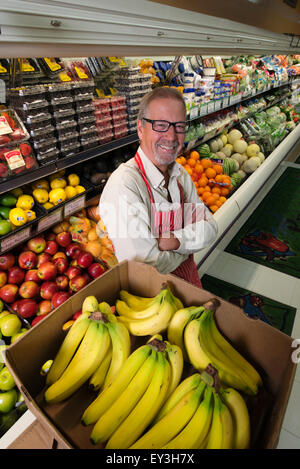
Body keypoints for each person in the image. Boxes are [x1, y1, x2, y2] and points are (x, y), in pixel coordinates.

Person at [99, 87, 218, 287]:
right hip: (150, 298)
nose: (171, 137)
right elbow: (144, 265)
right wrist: (189, 245)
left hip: (190, 283)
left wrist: (176, 241)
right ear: (140, 129)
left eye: (179, 126)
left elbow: (211, 228)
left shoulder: (180, 174)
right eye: (161, 125)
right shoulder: (125, 185)